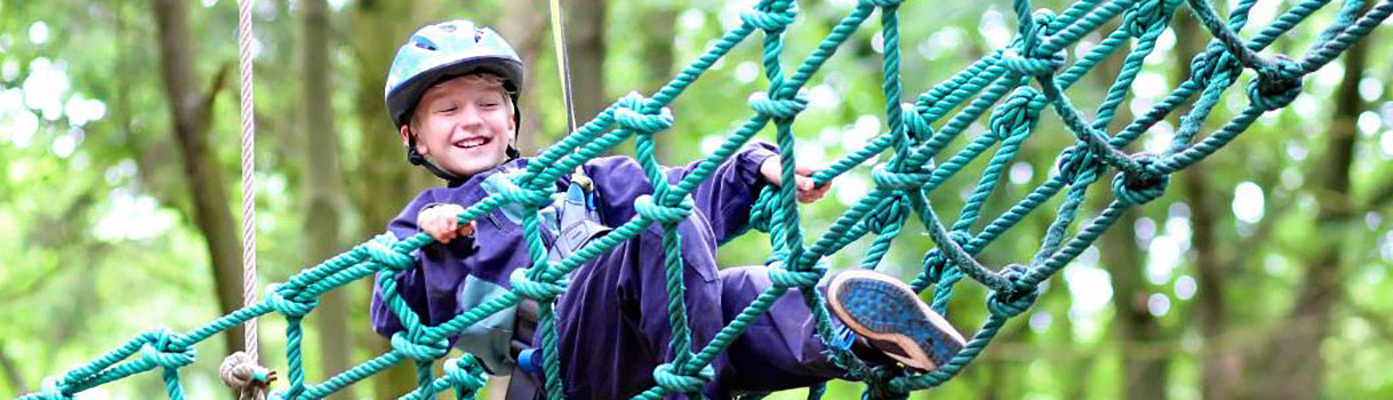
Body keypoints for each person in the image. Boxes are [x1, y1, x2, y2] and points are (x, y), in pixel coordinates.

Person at [369, 19, 965, 399]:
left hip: (658, 338)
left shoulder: (576, 177)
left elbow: (685, 189)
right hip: (567, 361)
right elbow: (392, 312)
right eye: (448, 110)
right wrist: (428, 240)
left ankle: (852, 334)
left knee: (744, 291)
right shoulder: (431, 215)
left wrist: (755, 167)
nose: (472, 120)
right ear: (413, 137)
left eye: (487, 103)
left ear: (512, 117)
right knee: (659, 222)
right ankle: (695, 383)